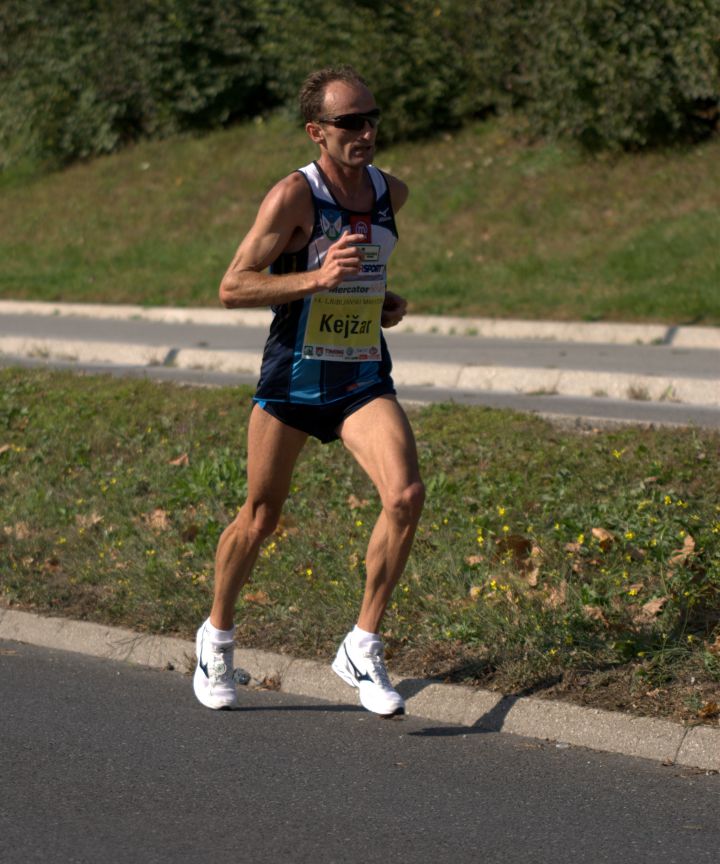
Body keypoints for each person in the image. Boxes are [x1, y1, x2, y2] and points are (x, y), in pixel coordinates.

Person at [193, 66, 425, 717]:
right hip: (293, 377)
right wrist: (317, 281)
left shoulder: (389, 192)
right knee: (260, 517)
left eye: (372, 117)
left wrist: (376, 300)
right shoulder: (294, 196)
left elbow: (358, 274)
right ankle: (217, 636)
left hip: (356, 374)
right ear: (316, 131)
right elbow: (234, 286)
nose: (367, 131)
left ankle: (362, 643)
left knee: (405, 495)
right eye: (350, 122)